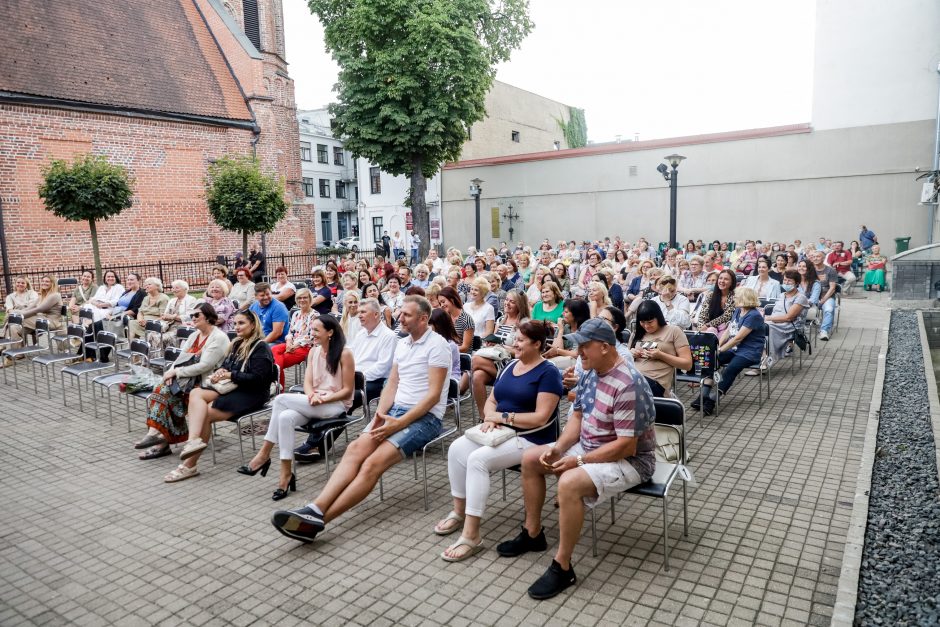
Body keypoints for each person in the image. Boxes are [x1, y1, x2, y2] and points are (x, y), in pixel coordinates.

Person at [271, 296, 451, 543]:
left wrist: (399, 423)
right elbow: (393, 384)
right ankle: (315, 508)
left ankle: (319, 521)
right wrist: (380, 415)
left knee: (372, 464)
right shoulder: (403, 343)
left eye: (407, 315)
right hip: (396, 411)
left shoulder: (437, 345)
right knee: (355, 449)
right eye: (401, 313)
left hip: (425, 418)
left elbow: (433, 396)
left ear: (423, 318)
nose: (400, 318)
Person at [502, 318, 656, 600]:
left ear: (606, 347)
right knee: (532, 459)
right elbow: (577, 418)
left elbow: (626, 447)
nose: (579, 352)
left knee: (569, 483)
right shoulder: (590, 372)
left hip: (630, 461)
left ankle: (562, 566)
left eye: (585, 346)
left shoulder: (628, 384)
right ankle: (533, 533)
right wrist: (559, 448)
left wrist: (579, 461)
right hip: (591, 446)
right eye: (578, 346)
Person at [436, 321, 563, 561]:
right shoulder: (511, 365)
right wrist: (490, 417)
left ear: (537, 344)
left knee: (478, 460)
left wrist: (504, 417)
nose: (514, 343)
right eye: (515, 338)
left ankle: (472, 535)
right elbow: (493, 399)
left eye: (521, 340)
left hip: (533, 438)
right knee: (456, 449)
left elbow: (541, 417)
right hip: (501, 432)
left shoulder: (549, 372)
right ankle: (458, 511)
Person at [239, 315, 354, 499]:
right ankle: (286, 475)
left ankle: (264, 454)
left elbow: (348, 391)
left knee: (280, 400)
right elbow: (307, 382)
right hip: (314, 401)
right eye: (312, 329)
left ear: (330, 332)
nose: (312, 333)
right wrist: (311, 395)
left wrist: (323, 399)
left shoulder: (344, 353)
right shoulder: (313, 351)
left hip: (334, 404)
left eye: (316, 330)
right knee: (285, 418)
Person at [168, 309, 275, 482]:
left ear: (253, 325)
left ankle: (189, 465)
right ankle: (193, 441)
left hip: (251, 393)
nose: (237, 327)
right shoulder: (237, 343)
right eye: (235, 323)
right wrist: (221, 372)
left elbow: (259, 379)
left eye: (242, 323)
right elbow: (226, 366)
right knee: (196, 392)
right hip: (233, 388)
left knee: (206, 414)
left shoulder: (260, 347)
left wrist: (230, 375)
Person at [295, 298, 398, 462]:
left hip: (373, 381)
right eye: (360, 312)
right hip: (353, 378)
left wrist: (354, 379)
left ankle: (317, 446)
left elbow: (383, 367)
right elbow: (351, 356)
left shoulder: (389, 336)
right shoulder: (361, 333)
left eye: (364, 312)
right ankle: (313, 443)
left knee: (346, 400)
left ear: (377, 314)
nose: (359, 315)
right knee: (327, 395)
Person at [134, 303, 230, 460]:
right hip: (186, 379)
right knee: (162, 390)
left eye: (196, 315)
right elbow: (180, 359)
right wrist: (170, 373)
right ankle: (155, 435)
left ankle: (161, 442)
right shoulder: (194, 335)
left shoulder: (219, 338)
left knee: (168, 396)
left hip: (205, 383)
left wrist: (176, 372)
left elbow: (205, 365)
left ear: (208, 316)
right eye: (191, 315)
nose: (193, 318)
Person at [695, 287, 766, 415]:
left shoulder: (754, 315)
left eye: (737, 296)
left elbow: (738, 338)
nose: (734, 299)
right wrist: (718, 347)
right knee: (711, 361)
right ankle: (703, 395)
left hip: (750, 351)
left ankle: (712, 400)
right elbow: (729, 331)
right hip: (735, 349)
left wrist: (721, 349)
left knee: (730, 369)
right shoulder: (739, 310)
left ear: (745, 298)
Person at [470, 290, 530, 415]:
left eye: (512, 302)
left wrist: (502, 347)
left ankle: (508, 382)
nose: (507, 303)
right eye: (507, 300)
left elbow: (523, 351)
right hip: (496, 360)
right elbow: (495, 340)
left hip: (513, 363)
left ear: (520, 305)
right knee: (477, 376)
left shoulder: (525, 323)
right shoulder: (501, 319)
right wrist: (491, 343)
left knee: (475, 359)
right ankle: (484, 415)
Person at [629, 301, 692, 397]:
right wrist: (630, 354)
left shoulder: (673, 331)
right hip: (633, 378)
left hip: (655, 383)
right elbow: (624, 362)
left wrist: (661, 355)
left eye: (650, 322)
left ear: (658, 317)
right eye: (642, 322)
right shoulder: (636, 334)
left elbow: (687, 364)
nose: (646, 326)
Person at [271, 287, 317, 386]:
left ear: (310, 299)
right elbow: (290, 332)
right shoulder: (296, 313)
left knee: (278, 361)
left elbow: (311, 337)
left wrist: (294, 346)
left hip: (305, 347)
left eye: (305, 297)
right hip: (291, 343)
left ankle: (279, 387)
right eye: (299, 298)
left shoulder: (315, 315)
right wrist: (288, 343)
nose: (302, 300)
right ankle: (279, 385)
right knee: (274, 349)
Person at [764, 271, 808, 365]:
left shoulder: (801, 298)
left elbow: (789, 318)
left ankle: (767, 359)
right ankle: (761, 356)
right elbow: (775, 312)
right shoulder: (781, 295)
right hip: (775, 322)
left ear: (796, 283)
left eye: (789, 281)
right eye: (784, 280)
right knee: (757, 327)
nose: (786, 283)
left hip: (789, 327)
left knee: (767, 326)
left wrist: (768, 318)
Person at [12, 275, 63, 344]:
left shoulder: (55, 295)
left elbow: (39, 309)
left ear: (52, 283)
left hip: (51, 322)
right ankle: (18, 353)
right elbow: (29, 308)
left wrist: (21, 315)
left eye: (47, 281)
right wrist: (17, 312)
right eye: (43, 281)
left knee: (17, 319)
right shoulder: (42, 296)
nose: (44, 283)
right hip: (41, 319)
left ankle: (2, 342)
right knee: (14, 328)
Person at [544, 299, 590, 370]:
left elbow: (576, 354)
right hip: (564, 362)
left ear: (576, 314)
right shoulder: (564, 327)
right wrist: (561, 330)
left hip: (579, 364)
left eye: (566, 312)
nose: (562, 314)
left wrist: (558, 351)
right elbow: (556, 348)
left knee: (548, 365)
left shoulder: (585, 329)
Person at [696, 269, 737, 334]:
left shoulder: (735, 297)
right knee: (710, 331)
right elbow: (702, 316)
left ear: (732, 282)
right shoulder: (711, 295)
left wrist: (708, 325)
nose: (722, 281)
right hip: (709, 329)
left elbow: (726, 317)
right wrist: (701, 328)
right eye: (720, 278)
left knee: (712, 330)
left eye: (726, 279)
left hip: (726, 329)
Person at [812, 251, 839, 341]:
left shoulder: (830, 270)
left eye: (818, 257)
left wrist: (823, 300)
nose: (815, 258)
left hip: (826, 295)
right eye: (814, 257)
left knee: (829, 309)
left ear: (823, 258)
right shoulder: (809, 270)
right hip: (812, 295)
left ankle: (824, 331)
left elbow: (832, 288)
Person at [438, 287, 474, 353]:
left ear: (452, 299)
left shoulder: (466, 319)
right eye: (440, 303)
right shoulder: (445, 318)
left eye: (443, 302)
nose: (442, 305)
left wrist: (445, 350)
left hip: (461, 357)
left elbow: (465, 348)